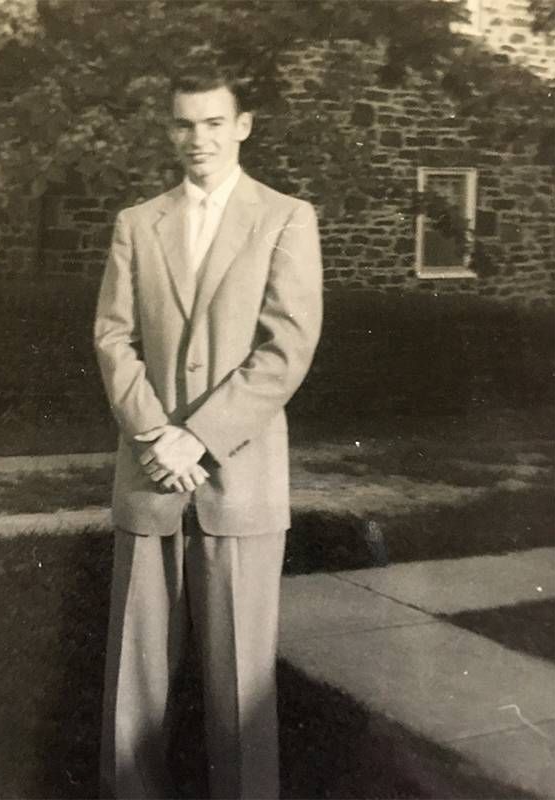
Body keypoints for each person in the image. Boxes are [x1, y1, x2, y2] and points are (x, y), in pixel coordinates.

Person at [94, 59, 323, 800]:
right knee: (135, 691)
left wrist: (200, 437)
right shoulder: (137, 224)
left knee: (240, 695)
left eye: (214, 123)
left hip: (241, 480)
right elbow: (113, 339)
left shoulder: (285, 217)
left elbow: (286, 347)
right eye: (185, 124)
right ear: (171, 130)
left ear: (243, 127)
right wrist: (157, 435)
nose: (199, 139)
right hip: (149, 475)